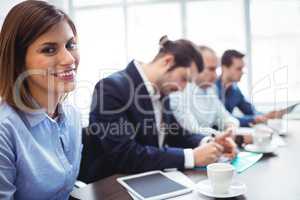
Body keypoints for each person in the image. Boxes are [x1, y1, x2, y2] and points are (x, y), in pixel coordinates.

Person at [84, 36, 237, 182]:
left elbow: (176, 133)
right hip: (112, 185)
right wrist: (192, 157)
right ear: (168, 62)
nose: (182, 88)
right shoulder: (110, 88)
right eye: (184, 78)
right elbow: (126, 155)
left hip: (150, 178)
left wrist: (210, 142)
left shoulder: (162, 91)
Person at [0, 1, 82, 199]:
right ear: (19, 61)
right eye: (49, 50)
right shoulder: (5, 129)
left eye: (70, 45)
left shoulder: (72, 116)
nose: (69, 59)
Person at [169, 46, 239, 135]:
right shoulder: (180, 91)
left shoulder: (211, 90)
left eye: (216, 69)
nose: (215, 76)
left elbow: (226, 117)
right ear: (195, 67)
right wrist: (223, 136)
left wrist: (231, 127)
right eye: (211, 69)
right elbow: (193, 130)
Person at [216, 49, 285, 127]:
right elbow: (223, 119)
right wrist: (253, 119)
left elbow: (251, 111)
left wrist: (268, 115)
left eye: (242, 68)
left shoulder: (235, 90)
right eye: (239, 69)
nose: (242, 72)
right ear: (224, 68)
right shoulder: (211, 89)